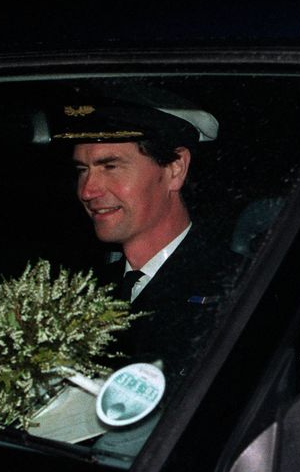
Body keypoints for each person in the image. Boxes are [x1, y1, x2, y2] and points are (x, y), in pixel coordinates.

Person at [52, 92, 243, 380]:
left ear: (175, 168)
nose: (87, 190)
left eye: (110, 166)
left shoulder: (238, 286)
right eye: (82, 170)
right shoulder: (79, 289)